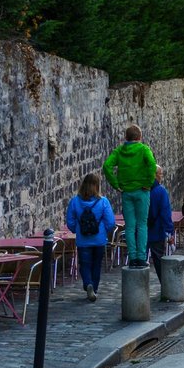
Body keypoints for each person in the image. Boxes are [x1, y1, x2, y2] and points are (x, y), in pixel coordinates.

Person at [102, 124, 156, 268]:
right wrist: (148, 182)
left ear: (126, 137)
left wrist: (115, 184)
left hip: (126, 192)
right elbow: (152, 165)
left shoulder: (119, 151)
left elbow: (107, 166)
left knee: (130, 226)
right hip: (142, 191)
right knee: (142, 225)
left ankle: (132, 257)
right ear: (140, 137)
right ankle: (141, 257)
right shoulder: (144, 149)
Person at [65, 173, 115, 301]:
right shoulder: (103, 202)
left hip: (83, 240)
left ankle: (88, 284)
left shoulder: (75, 201)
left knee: (85, 265)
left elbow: (70, 221)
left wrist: (77, 229)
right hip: (99, 240)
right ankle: (95, 289)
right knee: (97, 265)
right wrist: (104, 231)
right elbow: (110, 222)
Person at [147, 165, 174, 283]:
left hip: (140, 230)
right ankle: (166, 285)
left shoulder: (140, 189)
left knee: (139, 260)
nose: (161, 177)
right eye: (161, 174)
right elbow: (165, 213)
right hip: (156, 230)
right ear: (155, 175)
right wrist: (170, 231)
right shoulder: (160, 191)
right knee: (158, 259)